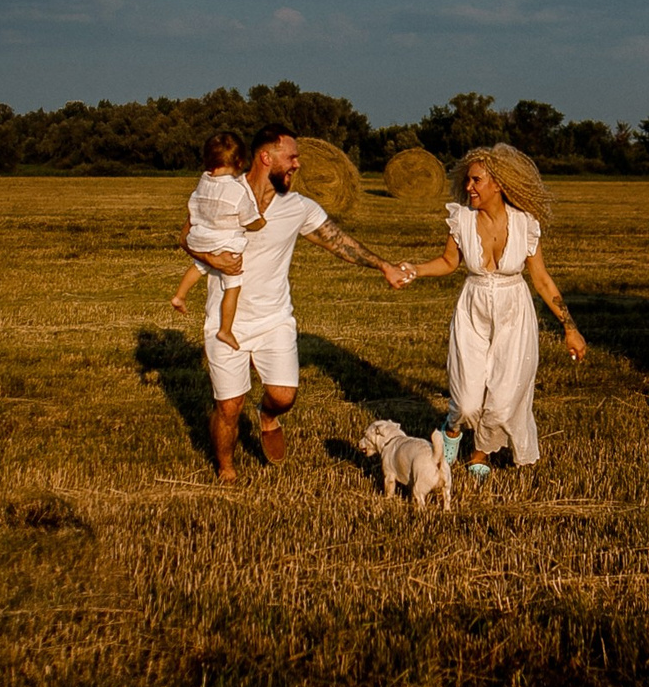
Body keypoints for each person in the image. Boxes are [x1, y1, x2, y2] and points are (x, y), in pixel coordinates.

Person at [182, 126, 409, 483]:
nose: (298, 165)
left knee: (284, 396)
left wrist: (383, 266)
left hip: (275, 319)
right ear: (265, 157)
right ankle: (226, 469)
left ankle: (268, 417)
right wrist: (212, 258)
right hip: (226, 320)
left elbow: (338, 242)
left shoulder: (299, 207)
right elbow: (186, 235)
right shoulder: (225, 193)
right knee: (228, 406)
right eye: (292, 157)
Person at [397, 144, 585, 481]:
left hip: (515, 311)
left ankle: (480, 451)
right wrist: (415, 269)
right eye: (468, 181)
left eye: (476, 181)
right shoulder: (461, 219)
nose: (468, 187)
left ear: (497, 184)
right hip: (473, 306)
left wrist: (569, 327)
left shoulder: (526, 224)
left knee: (502, 398)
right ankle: (453, 428)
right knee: (467, 401)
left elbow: (541, 279)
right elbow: (449, 262)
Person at [170, 131, 266, 349]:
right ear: (240, 162)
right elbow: (250, 220)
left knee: (198, 266)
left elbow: (194, 209)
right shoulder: (237, 191)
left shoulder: (203, 183)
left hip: (201, 239)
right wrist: (260, 222)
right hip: (225, 244)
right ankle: (225, 330)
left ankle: (180, 295)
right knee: (233, 285)